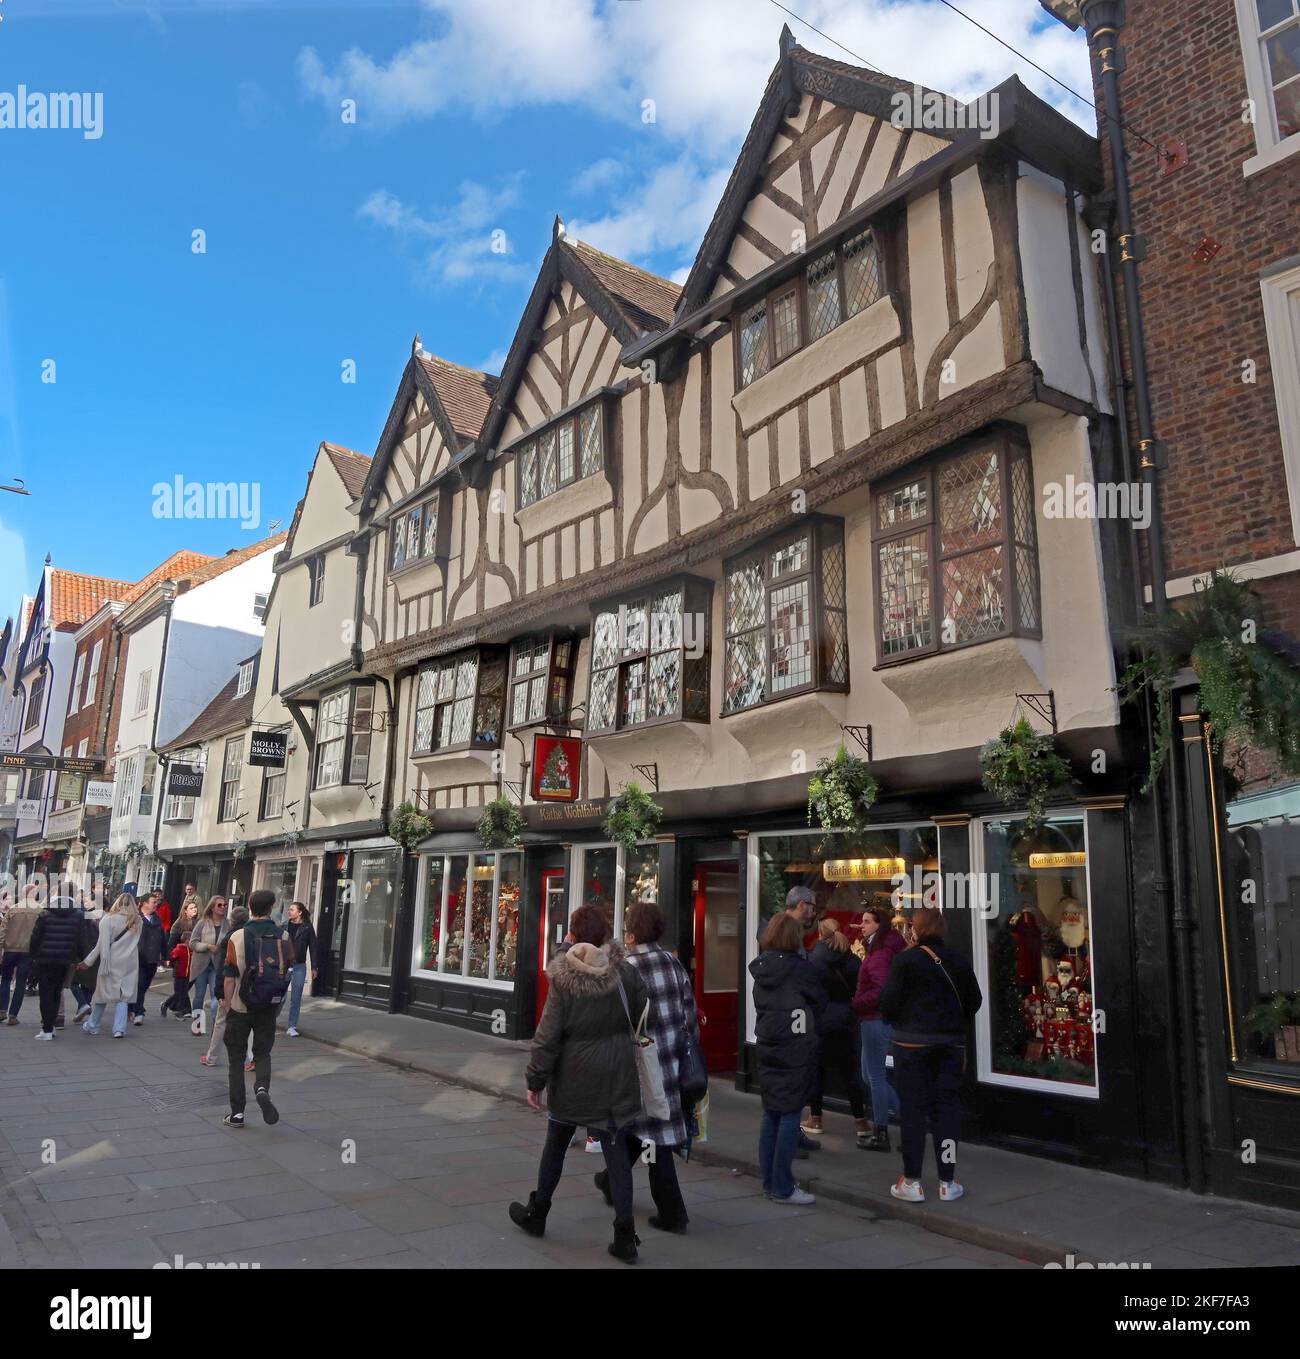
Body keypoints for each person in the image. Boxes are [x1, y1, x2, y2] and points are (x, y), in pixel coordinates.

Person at [510, 903, 650, 1262]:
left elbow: (548, 1034)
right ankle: (624, 1235)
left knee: (555, 1144)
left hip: (573, 1078)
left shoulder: (564, 979)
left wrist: (535, 1078)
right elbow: (639, 1014)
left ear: (572, 936)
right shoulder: (627, 974)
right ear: (605, 935)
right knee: (617, 1152)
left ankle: (538, 1213)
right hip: (616, 1077)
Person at [592, 899, 699, 1234]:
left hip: (637, 1065)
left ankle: (672, 1213)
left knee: (647, 1134)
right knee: (651, 1130)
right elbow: (690, 1018)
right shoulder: (674, 964)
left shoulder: (626, 967)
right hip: (671, 1063)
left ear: (633, 930)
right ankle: (611, 1181)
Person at [879, 907, 983, 1203]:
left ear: (917, 929)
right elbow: (974, 1000)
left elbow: (887, 1003)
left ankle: (911, 1180)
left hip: (911, 1046)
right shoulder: (959, 960)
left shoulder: (905, 961)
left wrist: (904, 1021)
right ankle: (947, 1180)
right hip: (950, 1046)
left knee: (913, 1112)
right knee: (947, 1111)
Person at [750, 912, 826, 1206]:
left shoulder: (762, 969)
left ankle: (770, 1182)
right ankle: (782, 1185)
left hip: (768, 1045)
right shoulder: (799, 969)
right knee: (791, 1112)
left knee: (771, 1112)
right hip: (795, 1048)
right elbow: (818, 1001)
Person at [220, 889, 292, 1129]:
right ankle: (262, 1087)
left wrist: (226, 1002)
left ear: (250, 907)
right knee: (262, 1053)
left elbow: (229, 975)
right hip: (267, 1006)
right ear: (271, 908)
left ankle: (237, 1114)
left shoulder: (238, 936)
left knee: (236, 1059)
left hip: (241, 1005)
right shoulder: (283, 936)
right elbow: (287, 970)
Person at [804, 917, 870, 1146]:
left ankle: (815, 1119)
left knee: (816, 1069)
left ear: (820, 934)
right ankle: (861, 1122)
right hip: (847, 1019)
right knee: (850, 1071)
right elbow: (861, 987)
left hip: (820, 1019)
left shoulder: (812, 958)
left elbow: (807, 989)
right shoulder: (852, 959)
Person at [852, 905, 907, 1152]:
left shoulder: (881, 952)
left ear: (879, 925)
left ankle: (881, 1133)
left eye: (866, 922)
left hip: (875, 1019)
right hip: (873, 1019)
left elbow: (880, 989)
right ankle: (908, 1118)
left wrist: (855, 1003)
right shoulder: (879, 949)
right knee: (868, 1075)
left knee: (874, 1077)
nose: (861, 926)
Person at [78, 893, 141, 1038]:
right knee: (123, 996)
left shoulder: (108, 919)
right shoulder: (137, 921)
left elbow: (101, 945)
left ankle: (93, 1025)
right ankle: (119, 1029)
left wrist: (88, 961)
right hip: (130, 961)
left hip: (111, 960)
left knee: (103, 993)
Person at [28, 894, 84, 1040]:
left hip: (45, 960)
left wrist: (33, 956)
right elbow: (80, 939)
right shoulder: (77, 916)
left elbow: (35, 938)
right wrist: (80, 957)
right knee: (56, 992)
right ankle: (50, 1026)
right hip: (64, 960)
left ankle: (47, 1029)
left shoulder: (45, 915)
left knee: (46, 994)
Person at [201, 903, 249, 1067]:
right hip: (249, 987)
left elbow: (223, 968)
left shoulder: (229, 937)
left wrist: (220, 993)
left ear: (232, 920)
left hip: (232, 985)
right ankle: (249, 1060)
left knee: (221, 1021)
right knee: (248, 1024)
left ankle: (212, 1057)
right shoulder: (252, 935)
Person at [0, 888, 42, 1025]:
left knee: (5, 980)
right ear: (34, 894)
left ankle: (2, 1010)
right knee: (21, 982)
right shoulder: (40, 911)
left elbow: (3, 931)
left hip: (10, 949)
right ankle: (13, 1015)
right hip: (28, 951)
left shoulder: (13, 910)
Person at [187, 896, 227, 1031]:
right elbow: (192, 943)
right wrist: (207, 946)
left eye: (225, 905)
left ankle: (217, 1023)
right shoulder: (203, 922)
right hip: (201, 964)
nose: (223, 907)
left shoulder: (228, 924)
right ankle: (197, 1025)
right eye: (219, 905)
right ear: (212, 907)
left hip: (218, 965)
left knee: (216, 995)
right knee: (199, 995)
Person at [282, 901, 318, 1037]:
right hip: (284, 965)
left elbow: (313, 948)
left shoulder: (307, 928)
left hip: (299, 966)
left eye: (292, 909)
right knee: (279, 995)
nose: (289, 911)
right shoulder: (284, 926)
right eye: (289, 909)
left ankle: (292, 1026)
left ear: (300, 912)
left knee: (296, 997)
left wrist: (314, 967)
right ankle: (270, 1019)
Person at [131, 894, 166, 1025]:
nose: (155, 904)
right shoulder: (136, 919)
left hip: (153, 958)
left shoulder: (157, 920)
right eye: (153, 902)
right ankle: (139, 1012)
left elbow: (163, 939)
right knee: (140, 984)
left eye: (156, 902)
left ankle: (133, 1006)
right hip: (138, 958)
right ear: (144, 903)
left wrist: (165, 956)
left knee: (144, 985)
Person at [162, 898, 199, 1017]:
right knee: (182, 987)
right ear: (185, 911)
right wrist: (170, 958)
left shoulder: (197, 922)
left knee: (186, 986)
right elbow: (171, 944)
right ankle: (185, 1009)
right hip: (181, 959)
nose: (194, 910)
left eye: (195, 907)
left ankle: (169, 1004)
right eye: (191, 908)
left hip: (194, 958)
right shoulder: (178, 924)